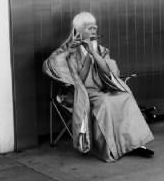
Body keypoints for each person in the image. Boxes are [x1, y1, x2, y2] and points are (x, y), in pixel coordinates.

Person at [43, 11, 154, 162]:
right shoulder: (66, 50)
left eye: (95, 27)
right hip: (79, 94)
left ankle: (134, 144)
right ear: (78, 31)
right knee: (106, 103)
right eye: (89, 28)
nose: (94, 30)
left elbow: (111, 72)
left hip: (101, 90)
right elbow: (52, 68)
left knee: (125, 97)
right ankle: (109, 149)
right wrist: (69, 52)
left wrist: (93, 54)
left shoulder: (101, 50)